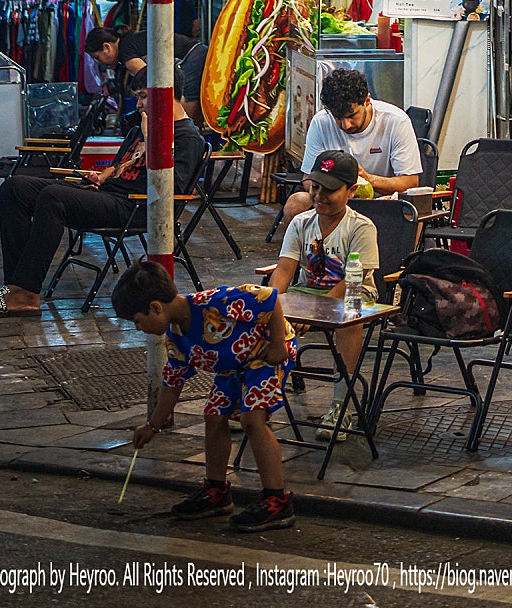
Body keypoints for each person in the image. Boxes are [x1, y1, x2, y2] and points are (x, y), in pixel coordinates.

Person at [0, 100, 208, 317]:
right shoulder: (139, 131)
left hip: (134, 205)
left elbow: (171, 189)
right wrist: (100, 177)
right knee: (15, 187)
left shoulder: (187, 138)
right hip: (108, 194)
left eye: (145, 95)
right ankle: (16, 285)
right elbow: (118, 169)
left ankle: (28, 294)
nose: (139, 103)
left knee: (54, 197)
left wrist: (153, 142)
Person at [114, 256, 297, 532]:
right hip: (233, 365)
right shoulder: (175, 336)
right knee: (213, 415)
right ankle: (216, 490)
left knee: (252, 420)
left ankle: (276, 499)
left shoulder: (216, 302)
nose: (138, 328)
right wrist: (153, 424)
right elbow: (173, 382)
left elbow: (270, 298)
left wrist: (276, 342)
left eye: (137, 321)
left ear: (155, 308)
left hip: (265, 353)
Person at [271, 148, 379, 435]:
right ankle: (257, 398)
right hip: (309, 292)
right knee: (259, 314)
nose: (319, 196)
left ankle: (340, 406)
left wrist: (316, 311)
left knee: (349, 319)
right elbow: (283, 270)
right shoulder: (301, 222)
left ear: (351, 191)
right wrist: (268, 303)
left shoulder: (360, 227)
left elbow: (354, 279)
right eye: (315, 187)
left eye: (329, 190)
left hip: (354, 292)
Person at [279, 68, 421, 223]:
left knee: (412, 211)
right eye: (338, 118)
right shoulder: (321, 122)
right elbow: (307, 178)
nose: (345, 125)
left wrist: (368, 179)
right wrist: (332, 193)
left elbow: (409, 182)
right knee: (296, 203)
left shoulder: (396, 121)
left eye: (352, 116)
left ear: (367, 101)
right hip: (333, 201)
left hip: (383, 202)